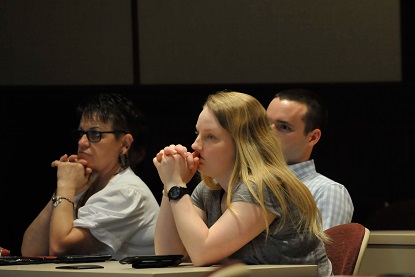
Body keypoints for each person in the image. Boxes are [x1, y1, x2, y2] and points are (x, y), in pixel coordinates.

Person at [153, 90, 332, 277]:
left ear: (243, 143)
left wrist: (176, 184)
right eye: (198, 133)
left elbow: (202, 253)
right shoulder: (208, 190)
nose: (196, 145)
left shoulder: (265, 186)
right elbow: (168, 254)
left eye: (210, 137)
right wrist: (169, 185)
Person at [21, 93, 159, 260]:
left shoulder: (126, 191)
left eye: (95, 134)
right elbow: (30, 251)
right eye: (81, 134)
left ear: (125, 144)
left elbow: (60, 248)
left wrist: (65, 186)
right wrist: (62, 190)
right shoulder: (83, 184)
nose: (82, 142)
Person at [266, 88, 354, 230]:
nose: (268, 133)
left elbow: (324, 252)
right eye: (265, 123)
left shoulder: (326, 191)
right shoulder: (246, 181)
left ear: (312, 137)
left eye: (283, 127)